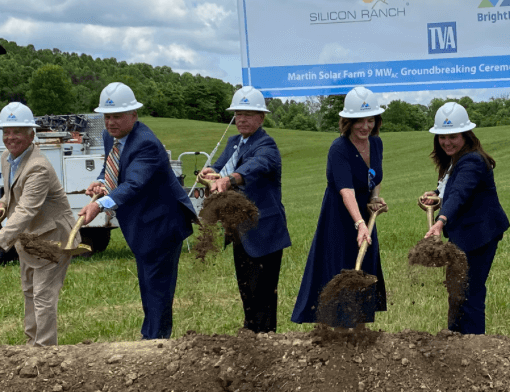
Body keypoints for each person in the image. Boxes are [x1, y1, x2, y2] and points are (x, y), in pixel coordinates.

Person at [80, 82, 197, 340]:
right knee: (148, 284)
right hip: (142, 224)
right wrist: (102, 181)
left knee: (157, 288)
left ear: (134, 115)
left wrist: (99, 204)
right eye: (107, 116)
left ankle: (156, 342)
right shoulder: (111, 136)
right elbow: (112, 166)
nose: (111, 122)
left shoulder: (146, 144)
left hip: (162, 224)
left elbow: (133, 184)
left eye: (117, 116)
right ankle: (151, 338)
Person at [292, 86, 387, 326]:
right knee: (338, 267)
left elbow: (375, 176)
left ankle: (359, 325)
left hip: (363, 214)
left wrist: (375, 198)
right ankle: (332, 327)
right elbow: (346, 190)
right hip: (339, 217)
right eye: (359, 121)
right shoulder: (339, 148)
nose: (365, 126)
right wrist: (359, 223)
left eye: (370, 120)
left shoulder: (376, 144)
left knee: (363, 266)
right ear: (348, 121)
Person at [198, 86, 291, 334]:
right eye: (238, 113)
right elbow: (220, 165)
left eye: (249, 114)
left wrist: (230, 180)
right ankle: (249, 331)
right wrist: (208, 172)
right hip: (239, 228)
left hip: (264, 229)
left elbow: (255, 166)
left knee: (263, 288)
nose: (242, 119)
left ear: (261, 118)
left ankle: (265, 336)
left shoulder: (267, 145)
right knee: (246, 286)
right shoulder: (234, 142)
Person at [419, 102, 510, 334]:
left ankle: (473, 348)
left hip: (479, 235)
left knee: (470, 292)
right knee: (457, 291)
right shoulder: (456, 159)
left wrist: (440, 221)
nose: (447, 142)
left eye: (453, 136)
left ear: (465, 135)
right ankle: (456, 340)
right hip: (465, 233)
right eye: (442, 137)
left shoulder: (472, 161)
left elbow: (460, 193)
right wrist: (436, 195)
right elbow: (451, 189)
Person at [0, 103, 76, 346]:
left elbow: (26, 209)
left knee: (43, 295)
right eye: (6, 132)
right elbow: (13, 195)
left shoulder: (38, 167)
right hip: (29, 237)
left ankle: (44, 353)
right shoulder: (7, 158)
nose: (10, 138)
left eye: (17, 132)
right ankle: (31, 346)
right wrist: (2, 204)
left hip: (53, 237)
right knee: (29, 292)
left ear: (31, 135)